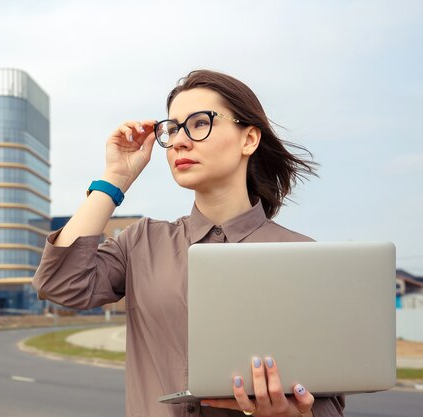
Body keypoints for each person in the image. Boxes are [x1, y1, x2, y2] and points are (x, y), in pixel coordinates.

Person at [32, 70, 345, 417]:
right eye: (173, 129)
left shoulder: (304, 257)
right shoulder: (141, 242)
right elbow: (59, 283)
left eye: (200, 123)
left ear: (249, 139)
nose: (180, 141)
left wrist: (292, 414)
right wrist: (114, 178)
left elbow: (327, 404)